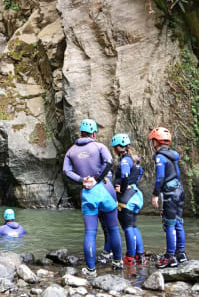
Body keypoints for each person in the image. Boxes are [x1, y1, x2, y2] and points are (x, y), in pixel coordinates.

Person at [63, 119, 123, 277]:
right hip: (105, 189)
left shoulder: (71, 151)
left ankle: (91, 270)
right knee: (113, 228)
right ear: (94, 133)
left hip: (88, 193)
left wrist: (82, 180)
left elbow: (66, 171)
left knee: (90, 232)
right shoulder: (99, 146)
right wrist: (97, 178)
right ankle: (117, 262)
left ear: (81, 133)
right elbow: (109, 162)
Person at [149, 127, 188, 269]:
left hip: (170, 193)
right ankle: (181, 253)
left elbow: (160, 177)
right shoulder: (173, 155)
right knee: (178, 222)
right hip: (179, 190)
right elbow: (177, 174)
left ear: (156, 142)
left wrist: (155, 194)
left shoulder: (160, 157)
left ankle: (170, 256)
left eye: (153, 141)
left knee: (169, 224)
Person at [111, 133, 147, 266]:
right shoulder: (134, 160)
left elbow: (125, 176)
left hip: (126, 198)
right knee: (133, 226)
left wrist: (122, 188)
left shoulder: (125, 160)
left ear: (117, 148)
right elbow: (138, 175)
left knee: (127, 228)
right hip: (134, 195)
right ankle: (140, 255)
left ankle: (130, 256)